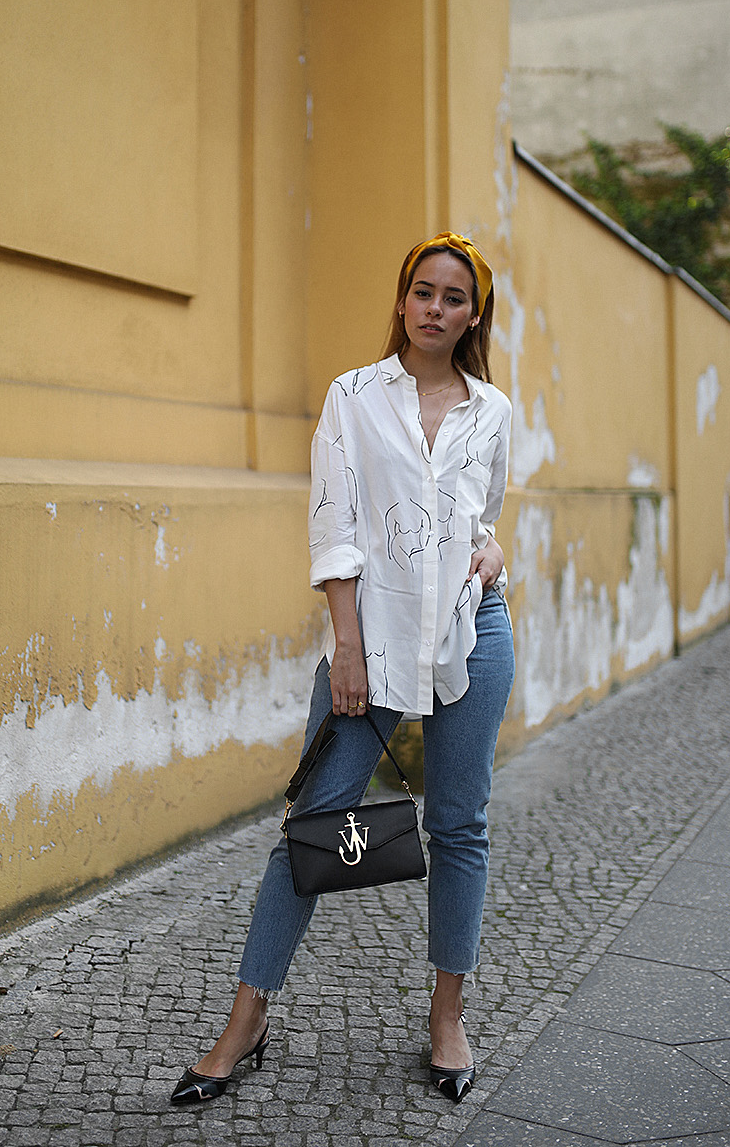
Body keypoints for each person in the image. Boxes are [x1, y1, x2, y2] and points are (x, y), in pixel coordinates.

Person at [170, 232, 515, 1107]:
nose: (436, 308)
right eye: (424, 291)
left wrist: (493, 551)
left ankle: (447, 1017)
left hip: (473, 632)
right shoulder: (353, 397)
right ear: (402, 299)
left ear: (473, 316)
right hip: (372, 637)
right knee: (311, 822)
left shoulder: (493, 410)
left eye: (455, 298)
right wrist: (348, 647)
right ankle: (246, 1021)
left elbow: (480, 518)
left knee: (461, 826)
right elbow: (335, 527)